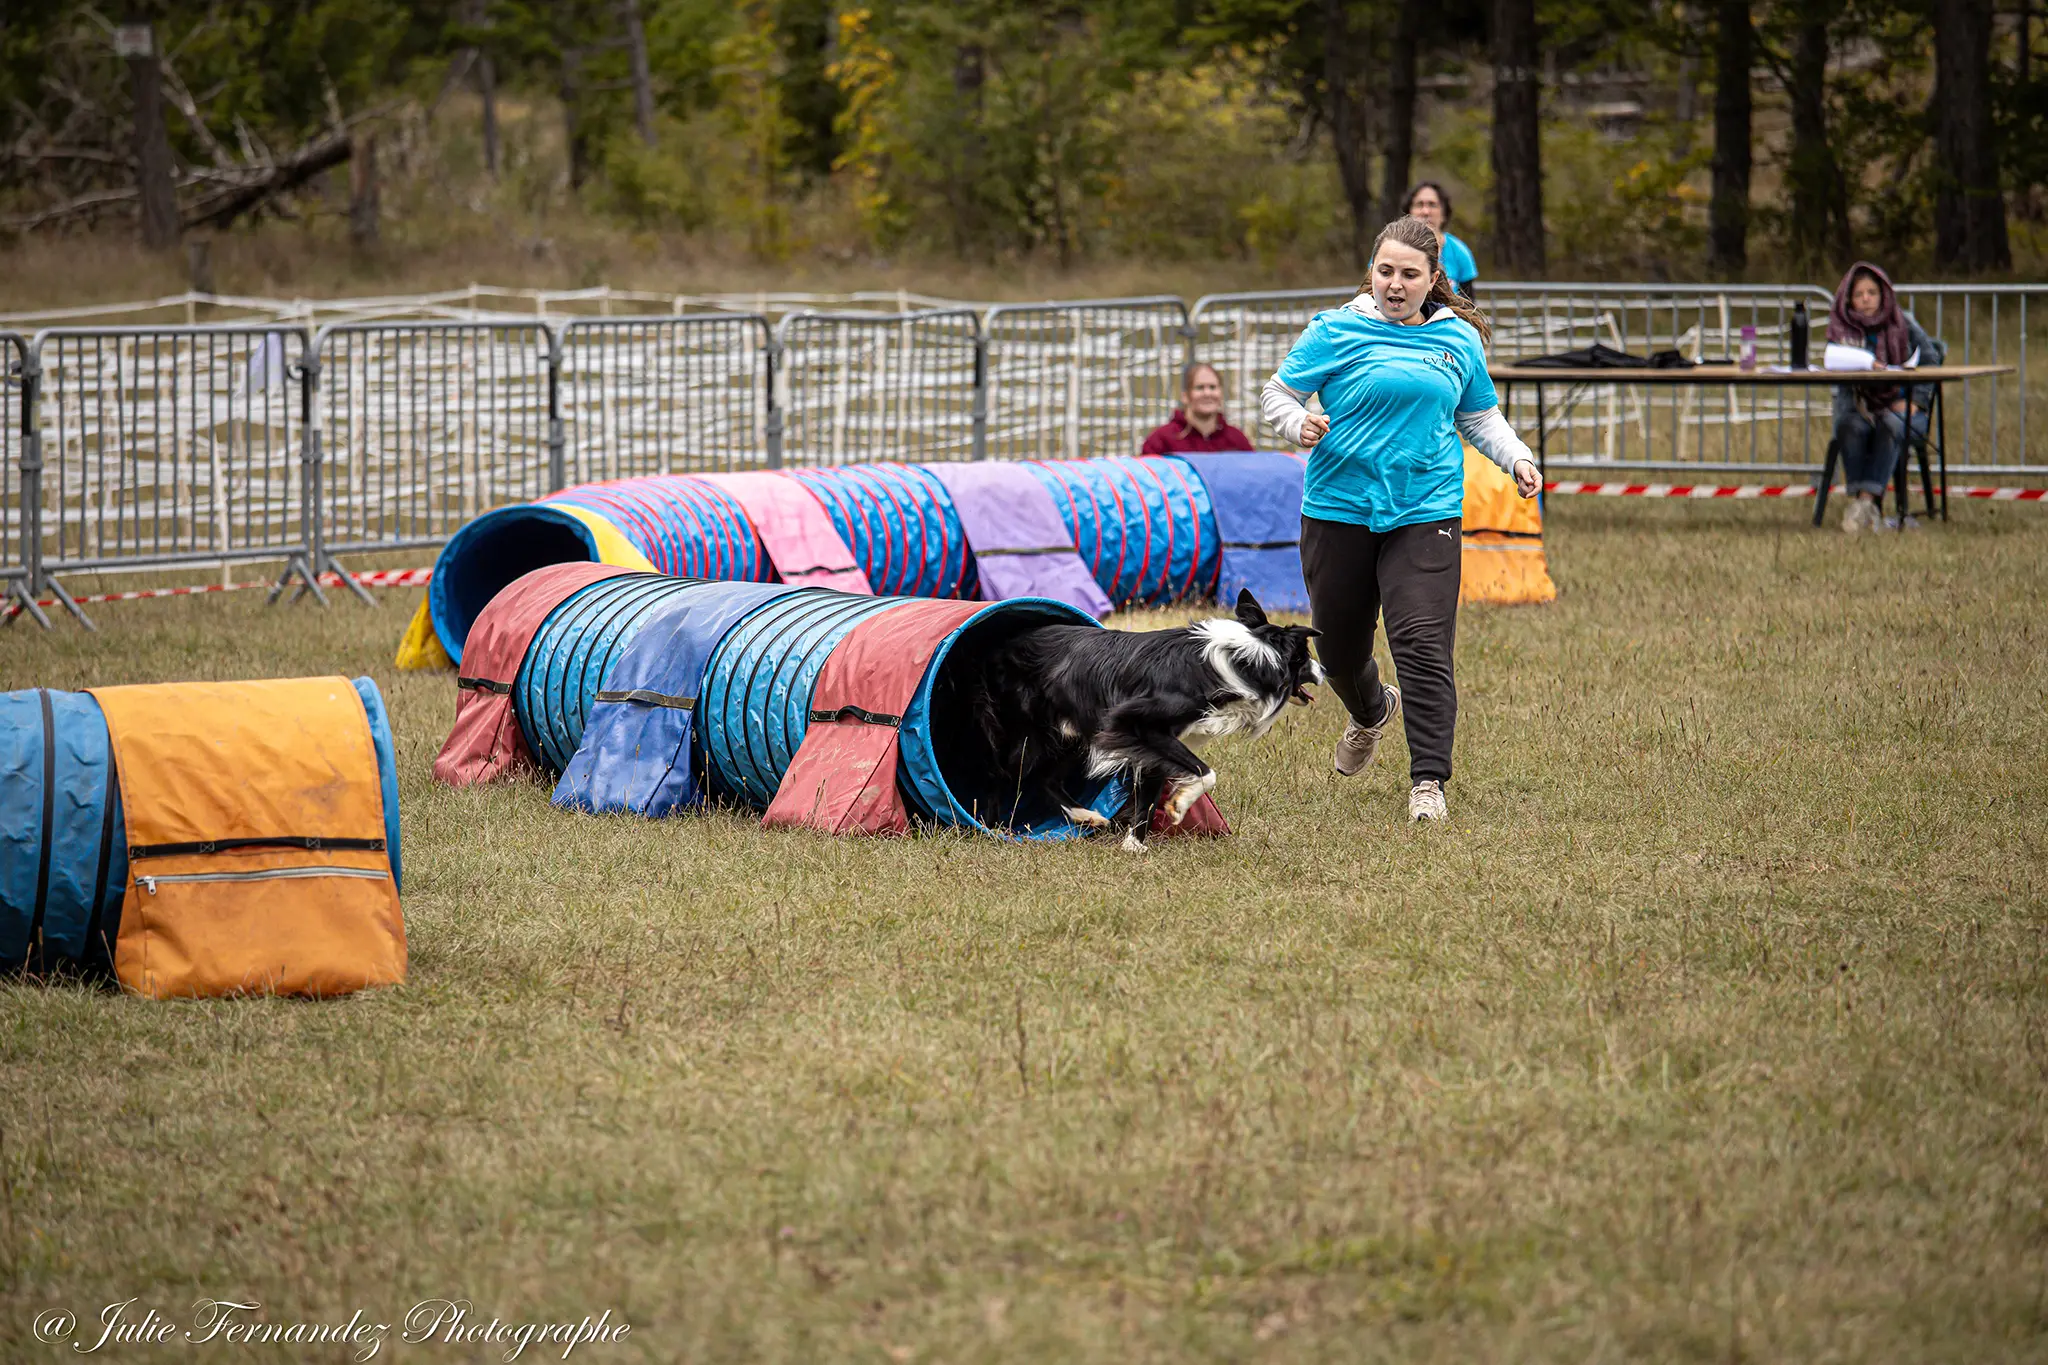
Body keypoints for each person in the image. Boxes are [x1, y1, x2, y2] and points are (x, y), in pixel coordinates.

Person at [1260, 215, 1540, 823]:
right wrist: (1296, 422)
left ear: (1432, 278)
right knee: (1336, 650)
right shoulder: (1334, 330)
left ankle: (1428, 783)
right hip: (1339, 509)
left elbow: (1480, 417)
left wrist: (1516, 456)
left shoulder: (1456, 340)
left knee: (1421, 643)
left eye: (1409, 274)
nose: (1395, 283)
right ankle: (1369, 712)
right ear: (1372, 273)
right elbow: (1276, 394)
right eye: (1385, 271)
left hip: (1425, 508)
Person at [1828, 261, 1945, 533]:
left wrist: (1917, 401)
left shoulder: (1901, 322)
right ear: (1849, 299)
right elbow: (1834, 365)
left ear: (1883, 295)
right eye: (1859, 294)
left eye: (1872, 292)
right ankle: (1867, 508)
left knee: (1891, 424)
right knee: (1849, 426)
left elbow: (1930, 359)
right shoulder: (1841, 330)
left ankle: (1864, 503)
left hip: (1903, 409)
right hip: (1862, 408)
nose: (1866, 299)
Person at [1140, 362, 1256, 454]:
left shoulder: (1237, 440)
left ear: (1220, 393)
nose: (1207, 393)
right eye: (1200, 388)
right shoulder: (1161, 440)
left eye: (1212, 387)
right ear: (1185, 396)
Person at [1403, 181, 1478, 298]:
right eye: (1419, 204)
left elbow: (1469, 303)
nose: (1425, 212)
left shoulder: (1459, 251)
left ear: (1444, 213)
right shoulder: (1390, 246)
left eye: (1432, 205)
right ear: (1409, 212)